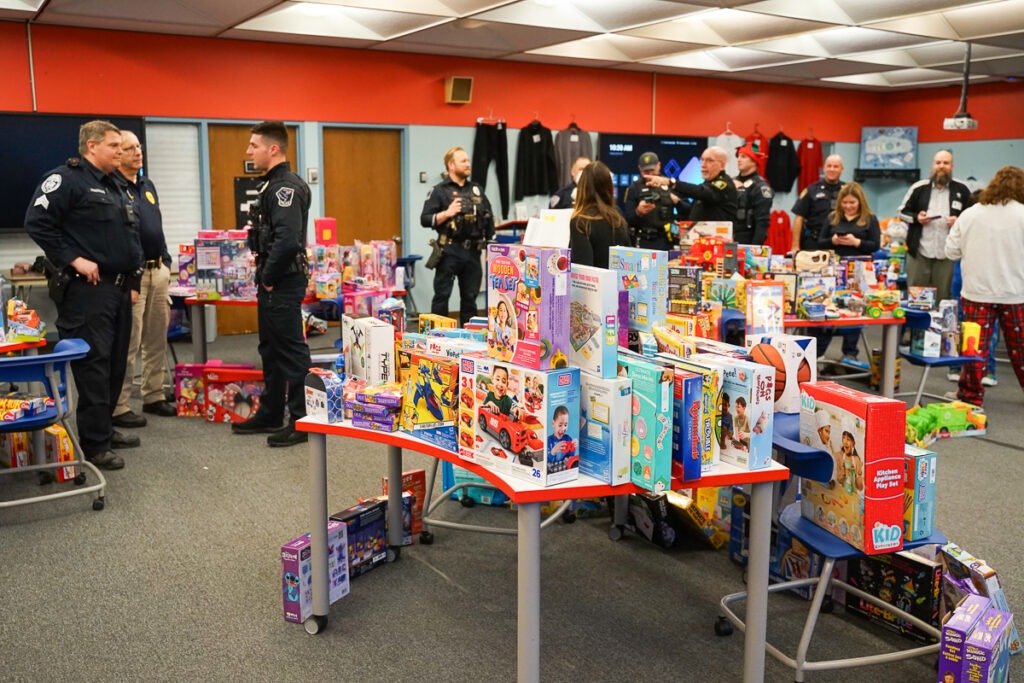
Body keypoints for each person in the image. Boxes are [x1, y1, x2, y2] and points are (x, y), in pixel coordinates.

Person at [24, 120, 145, 471]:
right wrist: (74, 259)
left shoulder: (116, 185)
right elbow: (37, 221)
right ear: (91, 146)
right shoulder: (66, 179)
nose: (121, 152)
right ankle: (95, 444)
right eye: (114, 147)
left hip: (119, 289)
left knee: (115, 364)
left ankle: (104, 428)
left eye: (122, 147)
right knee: (93, 366)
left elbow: (130, 235)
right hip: (87, 291)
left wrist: (134, 278)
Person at [231, 121, 312, 447]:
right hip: (272, 279)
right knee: (271, 349)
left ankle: (303, 421)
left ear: (273, 149)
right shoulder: (270, 185)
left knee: (291, 352)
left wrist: (267, 278)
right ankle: (271, 410)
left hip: (281, 279)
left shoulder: (284, 188)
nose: (249, 151)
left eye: (254, 145)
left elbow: (288, 240)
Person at [111, 131, 176, 429]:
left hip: (158, 271)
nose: (137, 152)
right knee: (129, 342)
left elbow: (156, 226)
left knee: (156, 338)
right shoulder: (112, 186)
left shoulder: (147, 185)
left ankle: (153, 394)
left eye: (138, 146)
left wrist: (167, 261)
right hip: (132, 277)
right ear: (117, 154)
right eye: (129, 148)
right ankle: (120, 404)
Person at [945, 165, 1024, 408]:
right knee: (1021, 348)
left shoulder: (970, 214)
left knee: (973, 348)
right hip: (1015, 291)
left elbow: (950, 251)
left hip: (976, 291)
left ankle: (970, 396)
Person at [420, 147, 495, 325]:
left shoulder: (476, 189)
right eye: (463, 161)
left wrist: (492, 246)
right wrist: (447, 213)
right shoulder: (439, 190)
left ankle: (469, 340)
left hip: (473, 252)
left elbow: (489, 218)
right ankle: (437, 337)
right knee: (442, 296)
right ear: (451, 165)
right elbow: (424, 219)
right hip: (449, 251)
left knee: (470, 298)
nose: (468, 164)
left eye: (468, 160)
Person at [814, 182, 880, 363]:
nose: (848, 206)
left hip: (860, 273)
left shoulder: (869, 219)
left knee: (854, 310)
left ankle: (850, 353)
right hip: (835, 271)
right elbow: (820, 242)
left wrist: (856, 242)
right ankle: (819, 351)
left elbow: (875, 245)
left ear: (860, 202)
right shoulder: (833, 217)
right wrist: (833, 240)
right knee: (830, 308)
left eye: (852, 203)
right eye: (845, 203)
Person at [898, 150, 972, 302]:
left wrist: (958, 222)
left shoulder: (962, 190)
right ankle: (916, 326)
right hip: (919, 251)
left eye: (945, 163)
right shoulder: (919, 187)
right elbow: (901, 212)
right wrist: (917, 218)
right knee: (917, 297)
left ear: (952, 166)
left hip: (948, 254)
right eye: (938, 163)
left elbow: (972, 217)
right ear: (933, 165)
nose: (941, 166)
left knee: (943, 298)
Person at [649, 146, 738, 226]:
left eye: (709, 160)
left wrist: (671, 182)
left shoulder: (724, 184)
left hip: (718, 240)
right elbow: (692, 212)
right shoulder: (707, 184)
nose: (703, 165)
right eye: (702, 160)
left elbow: (702, 192)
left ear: (722, 165)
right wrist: (677, 202)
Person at [569, 161, 631, 269]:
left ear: (583, 186)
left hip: (595, 284)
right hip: (621, 283)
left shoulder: (580, 221)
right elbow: (629, 257)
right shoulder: (617, 214)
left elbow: (583, 269)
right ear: (609, 186)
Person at [622, 151, 682, 251]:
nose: (650, 174)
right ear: (639, 168)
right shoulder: (634, 188)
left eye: (652, 170)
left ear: (659, 165)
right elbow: (627, 219)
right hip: (643, 240)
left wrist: (676, 201)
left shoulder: (670, 184)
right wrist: (638, 212)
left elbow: (687, 212)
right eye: (646, 171)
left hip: (666, 241)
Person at [792, 154, 844, 251]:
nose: (832, 169)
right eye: (829, 166)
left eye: (836, 166)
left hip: (840, 243)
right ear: (824, 168)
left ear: (842, 169)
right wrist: (795, 246)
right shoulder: (811, 190)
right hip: (814, 243)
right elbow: (799, 218)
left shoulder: (847, 191)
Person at [732, 144, 773, 245]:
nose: (738, 160)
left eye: (743, 157)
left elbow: (762, 222)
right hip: (727, 236)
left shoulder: (761, 187)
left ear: (754, 161)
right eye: (739, 156)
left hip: (746, 240)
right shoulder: (730, 182)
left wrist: (754, 248)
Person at [834, 427, 864, 495]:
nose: (845, 442)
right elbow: (838, 480)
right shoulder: (839, 456)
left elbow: (860, 488)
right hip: (841, 494)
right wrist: (844, 471)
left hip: (853, 496)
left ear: (853, 443)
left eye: (848, 439)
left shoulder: (856, 460)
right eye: (843, 438)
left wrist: (858, 476)